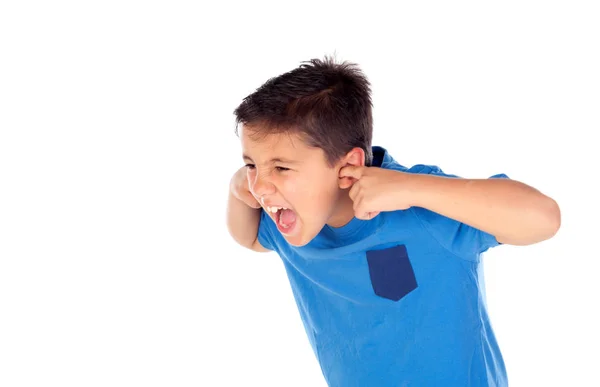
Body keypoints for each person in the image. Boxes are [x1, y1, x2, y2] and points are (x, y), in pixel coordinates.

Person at [226, 56, 561, 387]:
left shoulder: (421, 209)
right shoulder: (297, 221)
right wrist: (235, 188)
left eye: (281, 168)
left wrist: (413, 188)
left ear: (348, 166)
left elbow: (543, 218)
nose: (260, 186)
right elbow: (250, 237)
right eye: (251, 165)